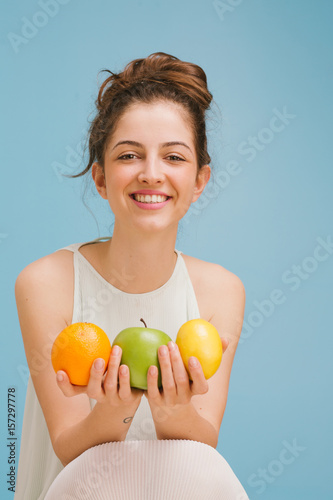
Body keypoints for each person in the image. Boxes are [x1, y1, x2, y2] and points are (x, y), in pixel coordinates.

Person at [14, 52, 249, 499]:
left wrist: (172, 412)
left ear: (200, 181)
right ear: (100, 179)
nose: (151, 174)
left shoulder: (222, 291)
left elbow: (202, 452)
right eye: (129, 155)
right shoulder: (45, 283)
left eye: (174, 157)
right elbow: (67, 447)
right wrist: (113, 413)